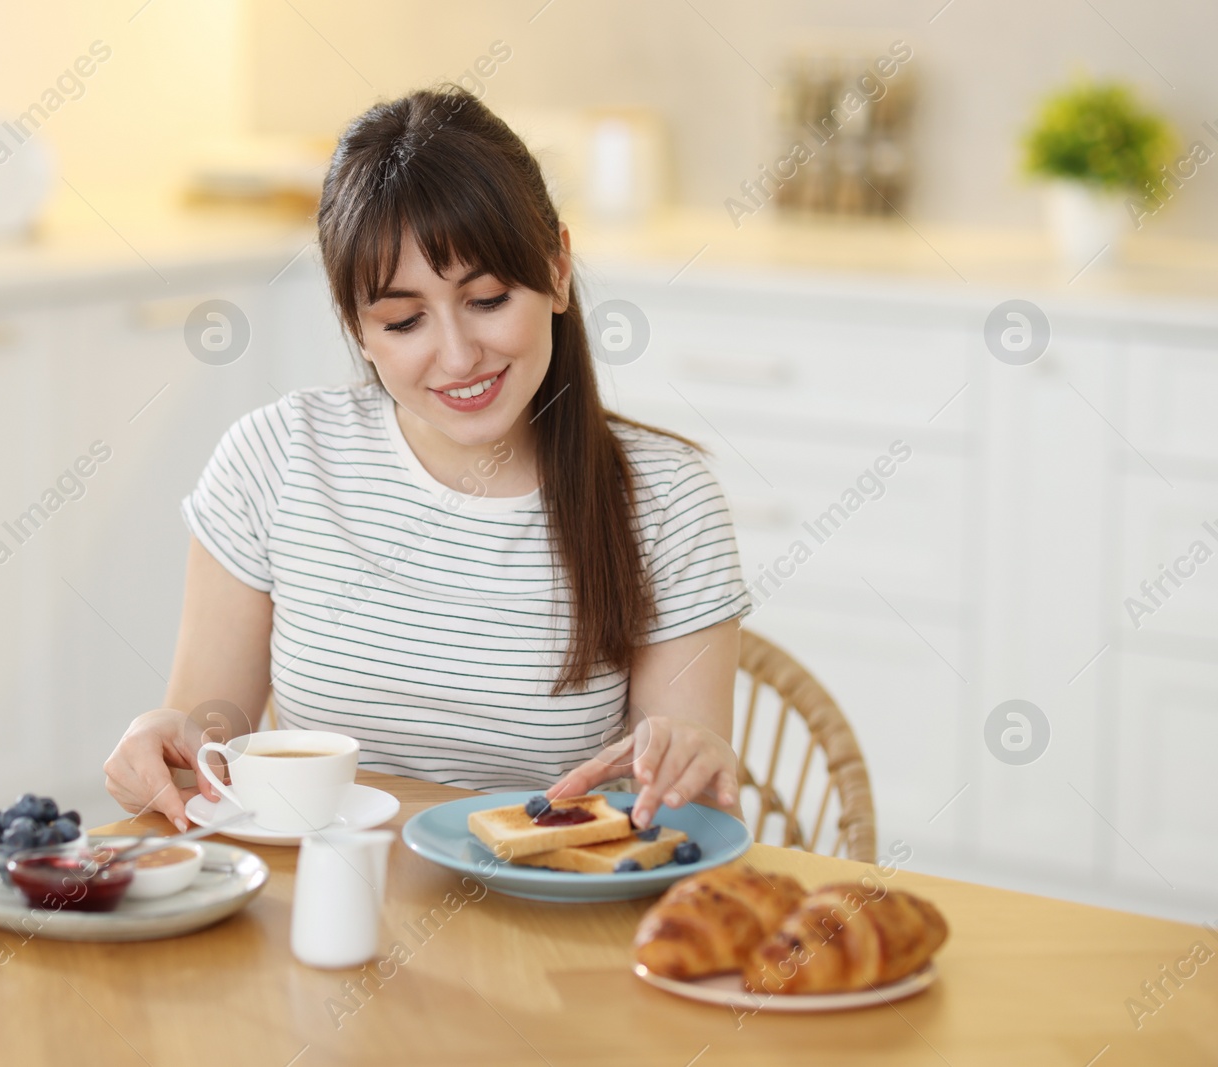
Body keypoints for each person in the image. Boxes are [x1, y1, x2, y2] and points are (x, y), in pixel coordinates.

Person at [106, 85, 750, 833]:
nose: (456, 355)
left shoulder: (666, 500)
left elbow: (680, 827)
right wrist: (163, 745)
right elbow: (206, 752)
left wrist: (688, 766)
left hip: (546, 928)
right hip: (323, 919)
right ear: (357, 325)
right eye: (405, 319)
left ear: (558, 268)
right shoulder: (275, 461)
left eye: (487, 299)